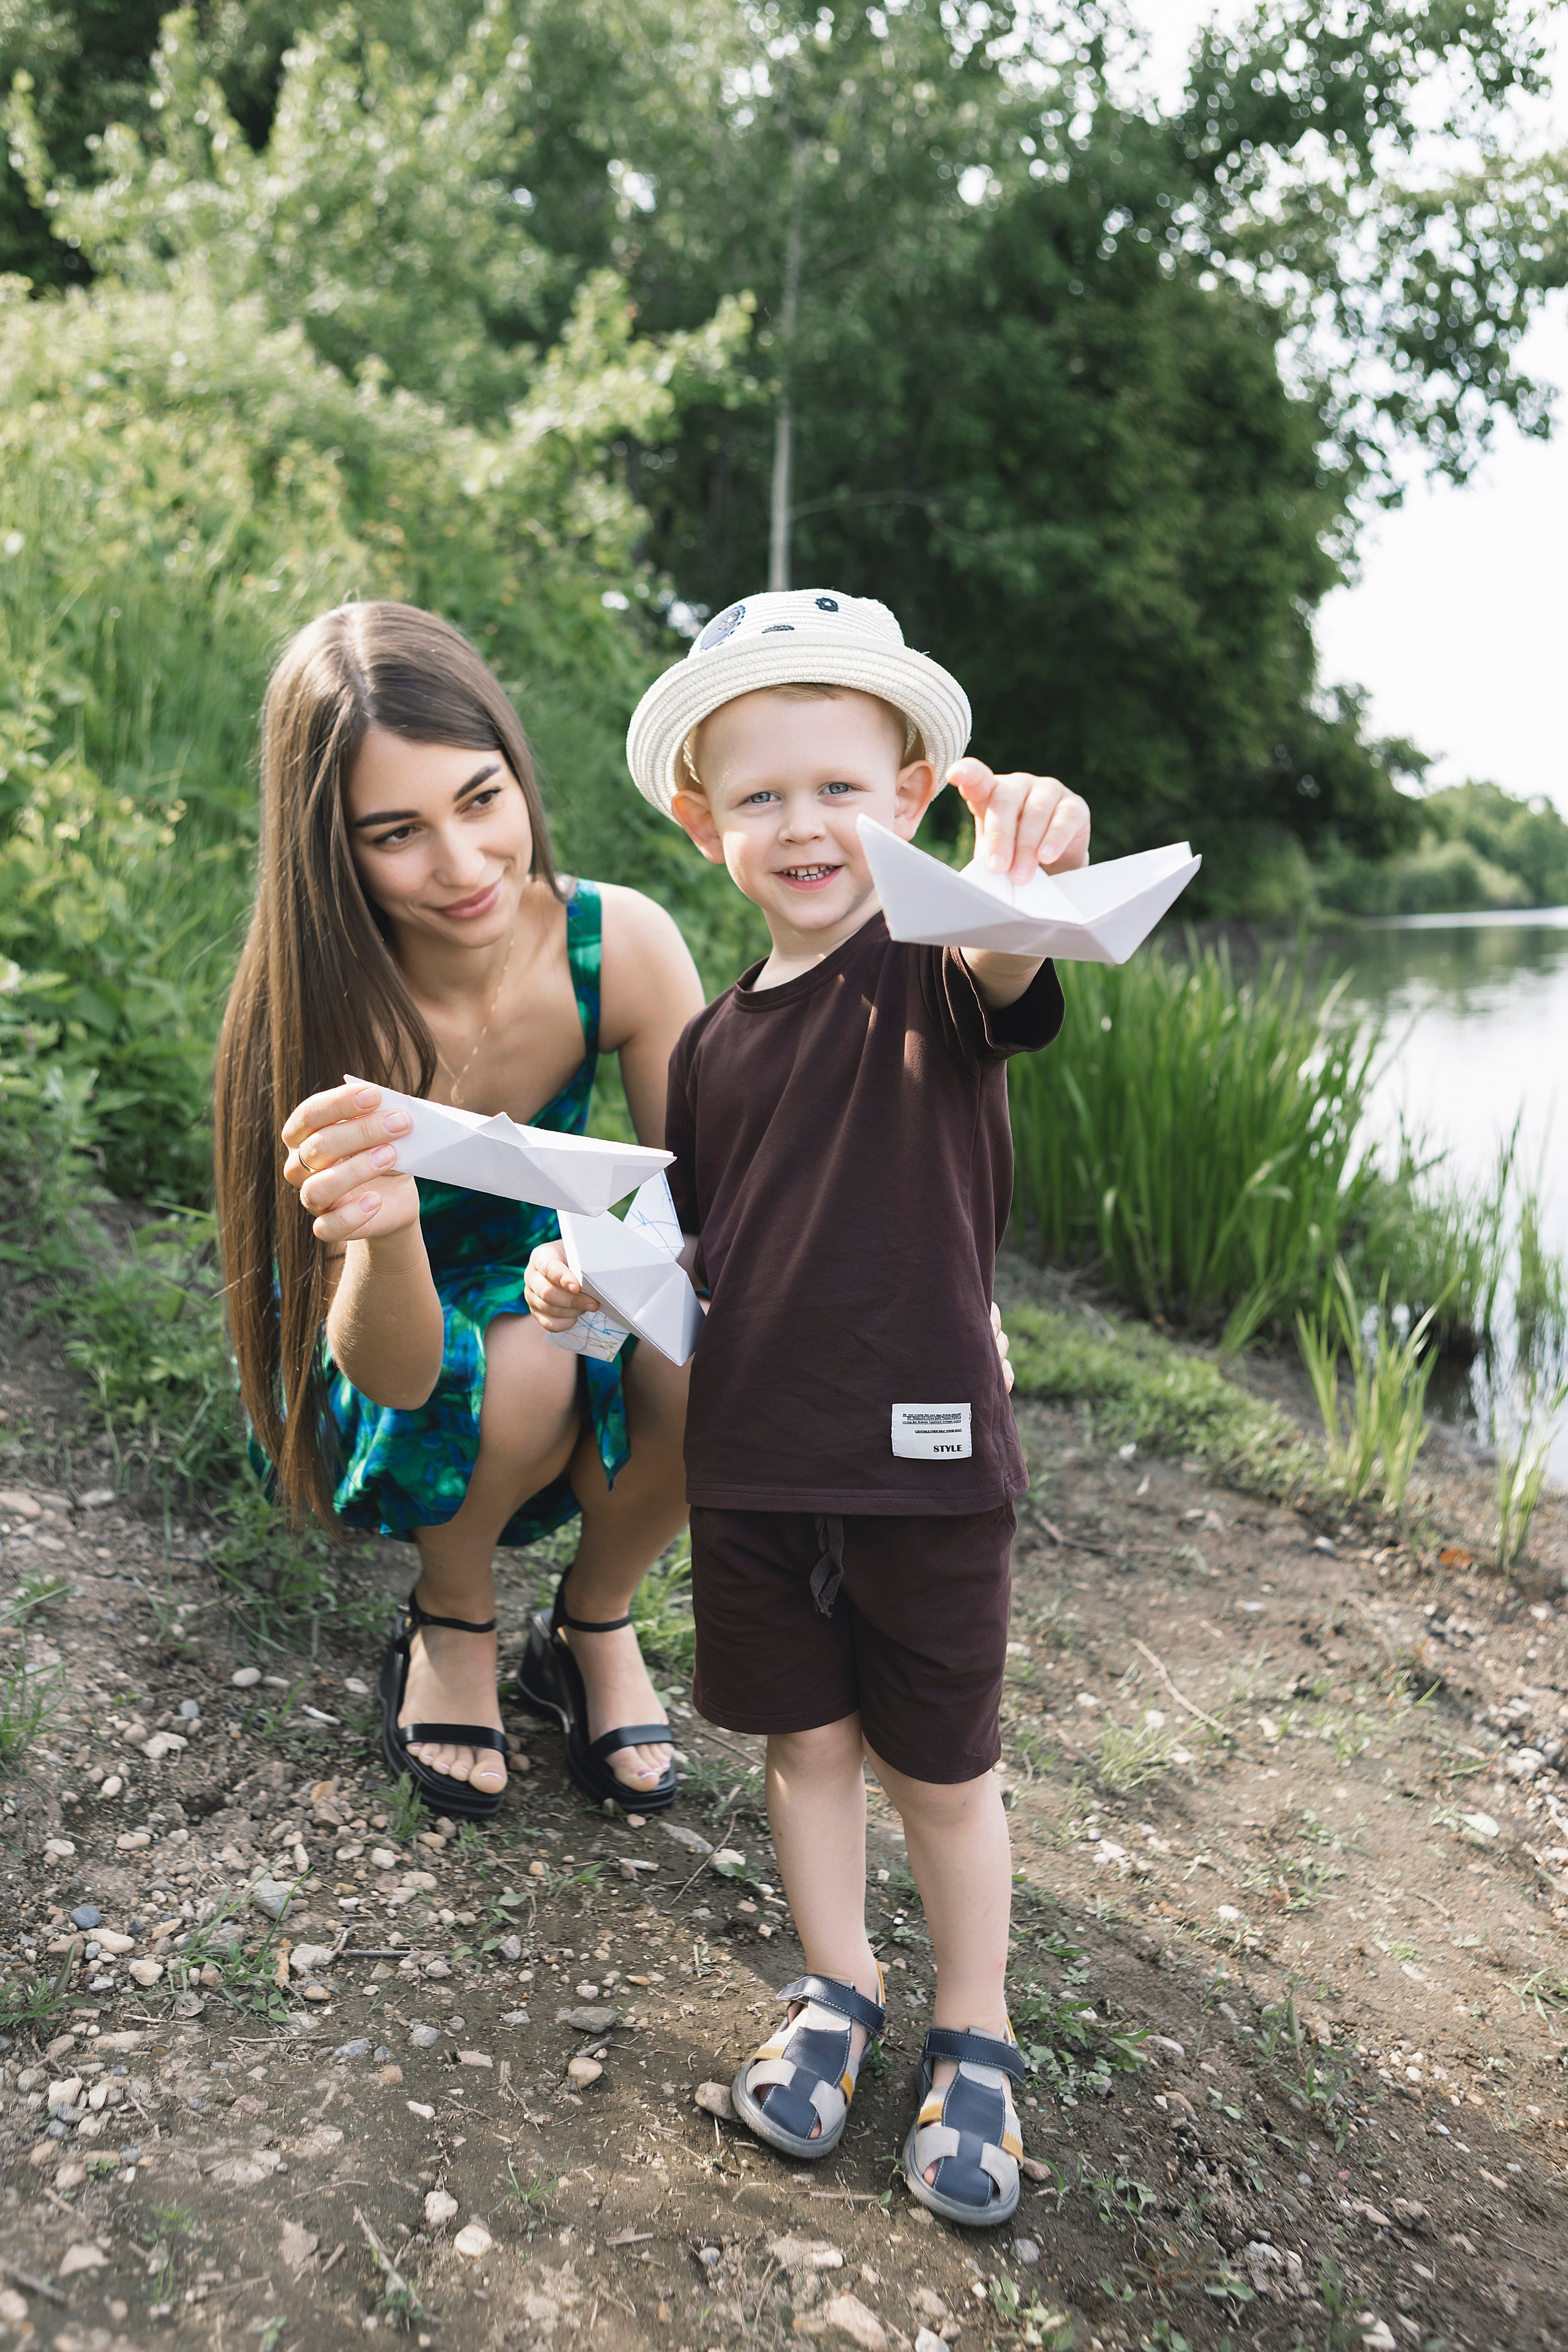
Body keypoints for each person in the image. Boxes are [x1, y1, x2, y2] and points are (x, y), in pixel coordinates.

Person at [526, 587, 1090, 2226]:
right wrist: (590, 1278)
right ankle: (838, 1985)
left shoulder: (935, 971)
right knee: (806, 1744)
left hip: (925, 1463)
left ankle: (972, 2029)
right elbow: (700, 1241)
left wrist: (1022, 867)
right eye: (761, 794)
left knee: (945, 1769)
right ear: (705, 825)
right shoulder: (708, 1046)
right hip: (756, 1465)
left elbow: (1005, 941)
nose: (806, 824)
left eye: (842, 786)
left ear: (909, 796)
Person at [213, 600, 706, 1823]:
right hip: (387, 1313)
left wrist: (627, 1277)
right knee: (528, 1368)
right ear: (332, 846)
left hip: (567, 1270)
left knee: (721, 1353)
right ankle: (454, 1608)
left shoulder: (619, 945)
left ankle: (590, 1620)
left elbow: (710, 1208)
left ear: (517, 770)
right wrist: (382, 1226)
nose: (463, 864)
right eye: (396, 833)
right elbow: (385, 1371)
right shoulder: (314, 1014)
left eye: (481, 800)